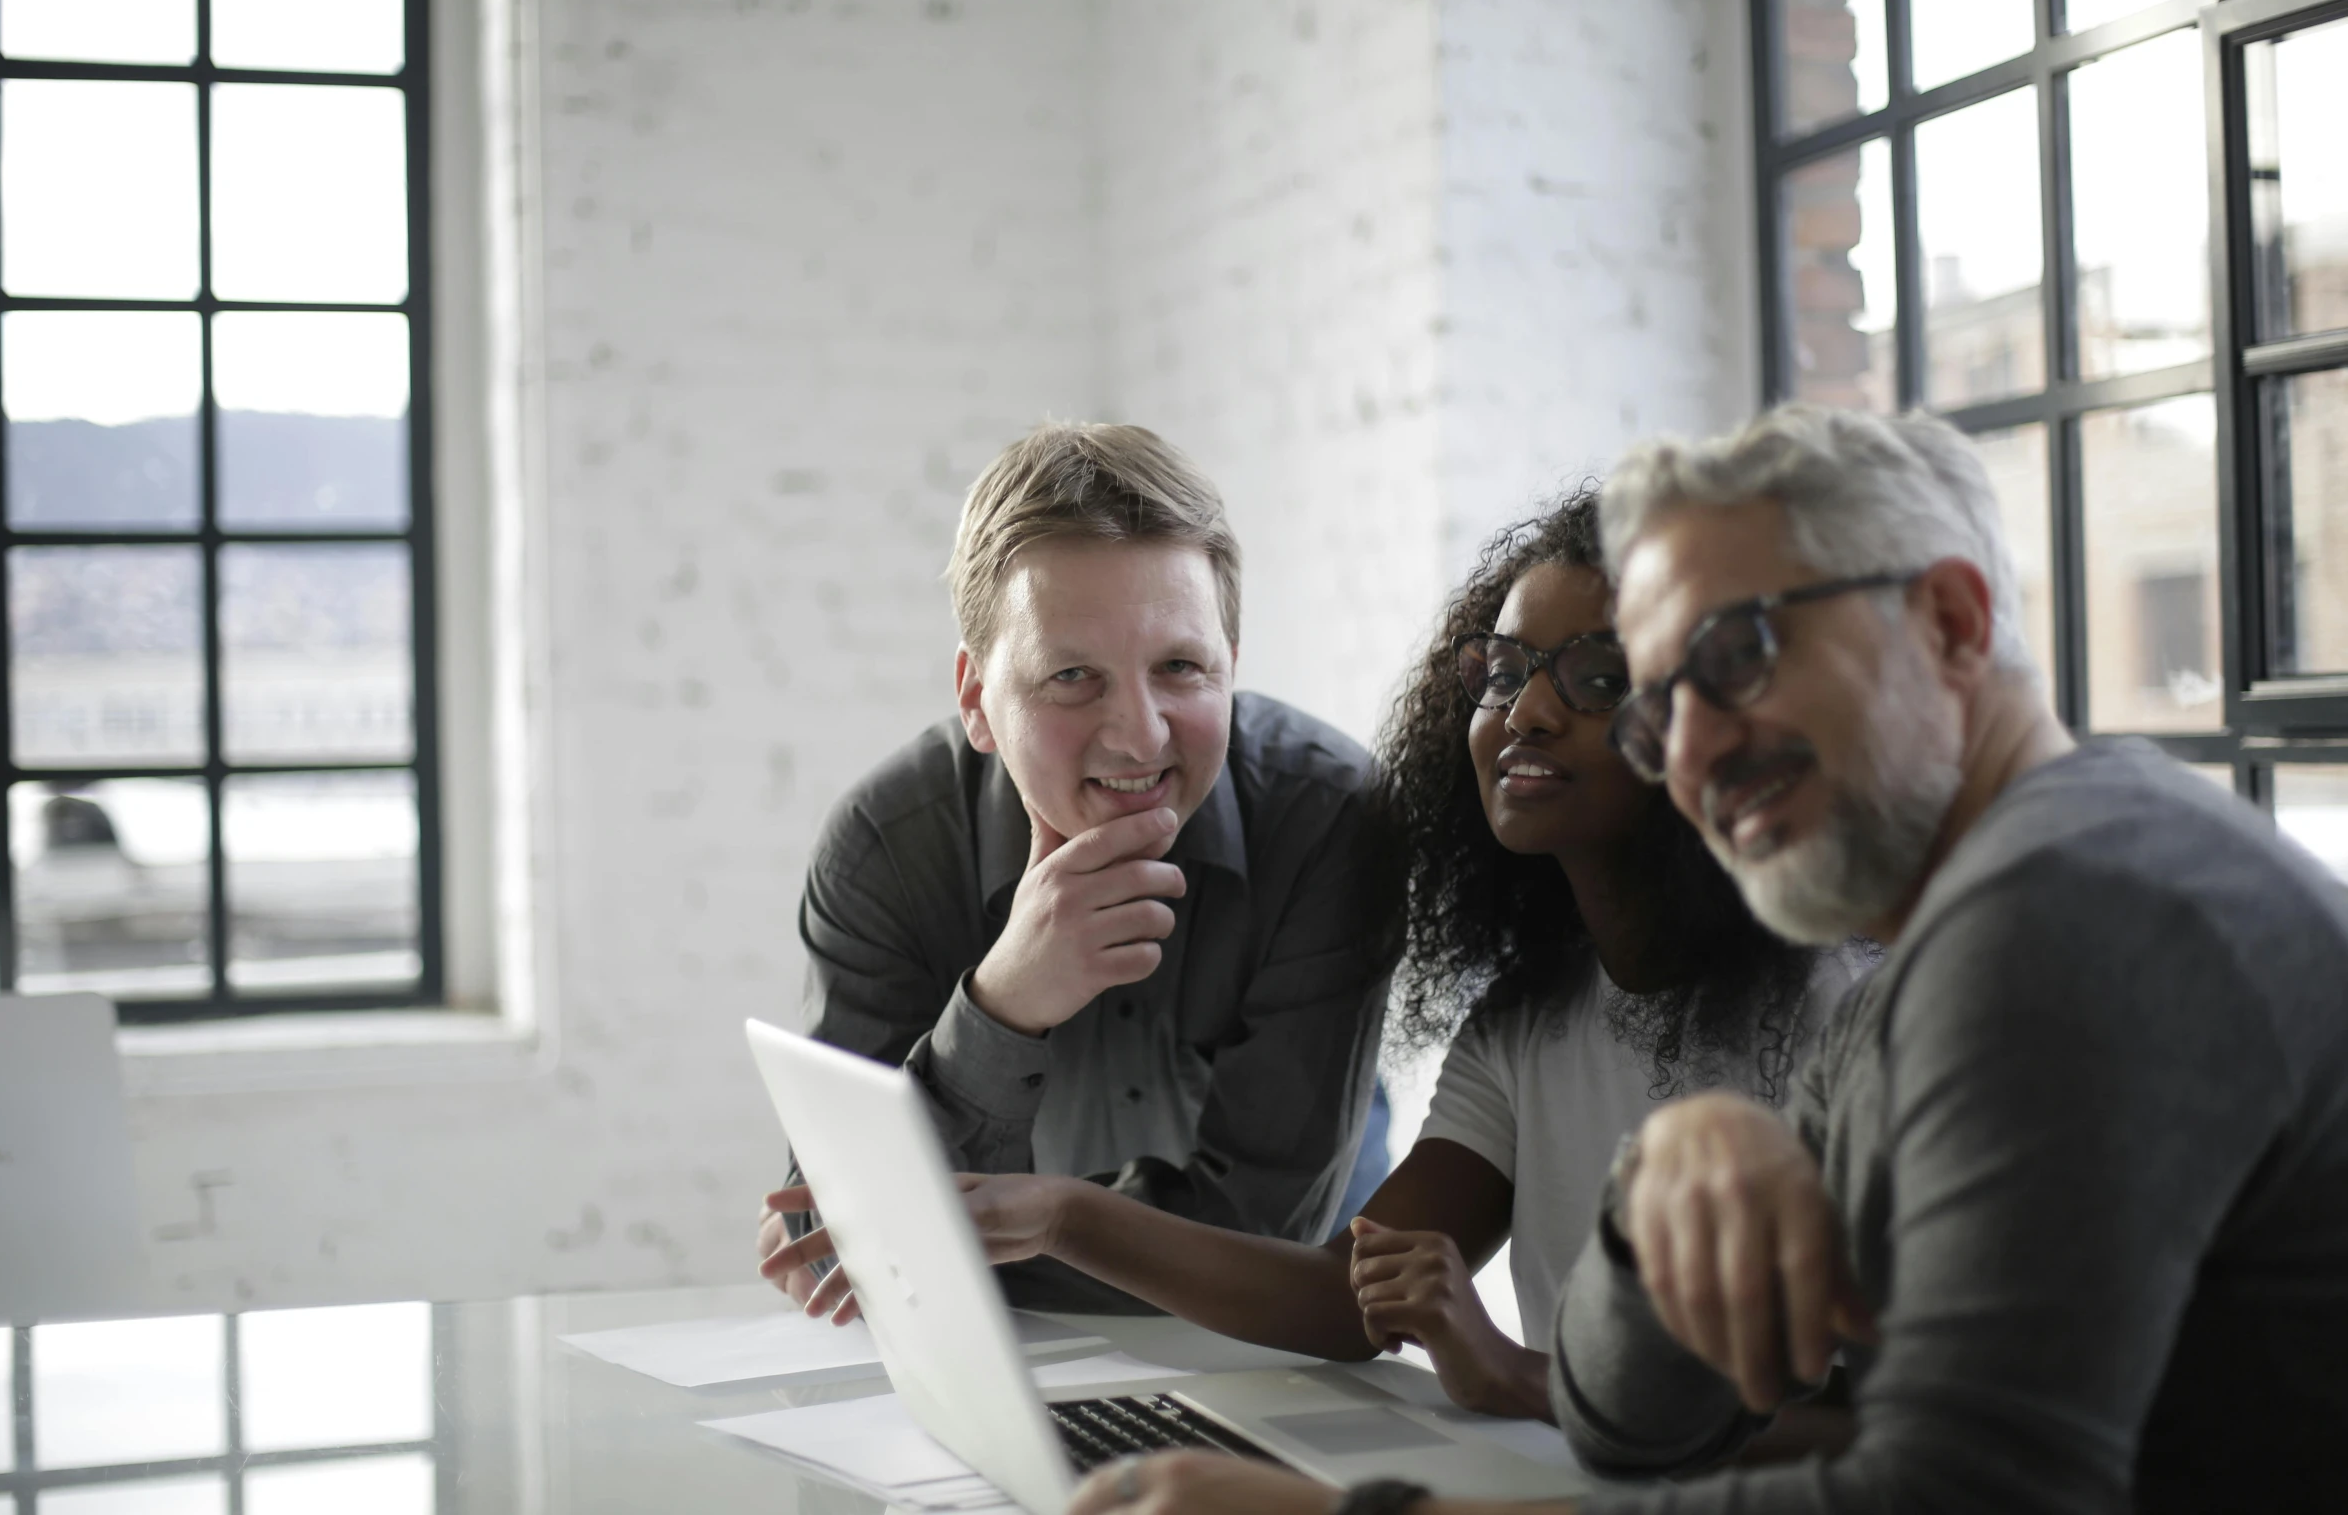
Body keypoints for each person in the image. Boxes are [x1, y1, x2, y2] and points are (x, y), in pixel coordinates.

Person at [1049, 403, 2348, 1515]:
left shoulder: (2074, 908)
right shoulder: (1935, 957)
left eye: (1735, 656)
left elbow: (1959, 1491)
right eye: (1660, 698)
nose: (1688, 749)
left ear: (1950, 618)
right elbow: (1636, 1424)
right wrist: (1661, 1174)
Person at [763, 488, 1849, 1419]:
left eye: (1598, 677)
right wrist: (1056, 1203)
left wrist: (1521, 1378)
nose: (1523, 711)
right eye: (1504, 667)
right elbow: (1342, 1296)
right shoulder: (1524, 1018)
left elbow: (1925, 1425)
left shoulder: (1854, 1014)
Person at [759, 422, 1402, 1312]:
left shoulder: (1332, 822)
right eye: (1072, 676)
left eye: (1181, 666)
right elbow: (832, 1240)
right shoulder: (888, 846)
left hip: (1300, 1347)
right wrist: (1003, 1005)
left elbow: (1265, 1236)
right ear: (977, 700)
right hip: (1009, 1367)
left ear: (1232, 670)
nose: (1140, 732)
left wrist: (934, 1241)